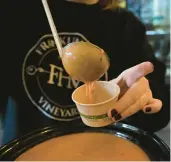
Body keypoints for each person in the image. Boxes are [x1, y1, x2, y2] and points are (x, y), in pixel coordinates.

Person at [0, 0, 169, 144]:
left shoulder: (125, 26)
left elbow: (160, 112)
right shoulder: (13, 13)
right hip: (26, 151)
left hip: (104, 153)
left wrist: (140, 101)